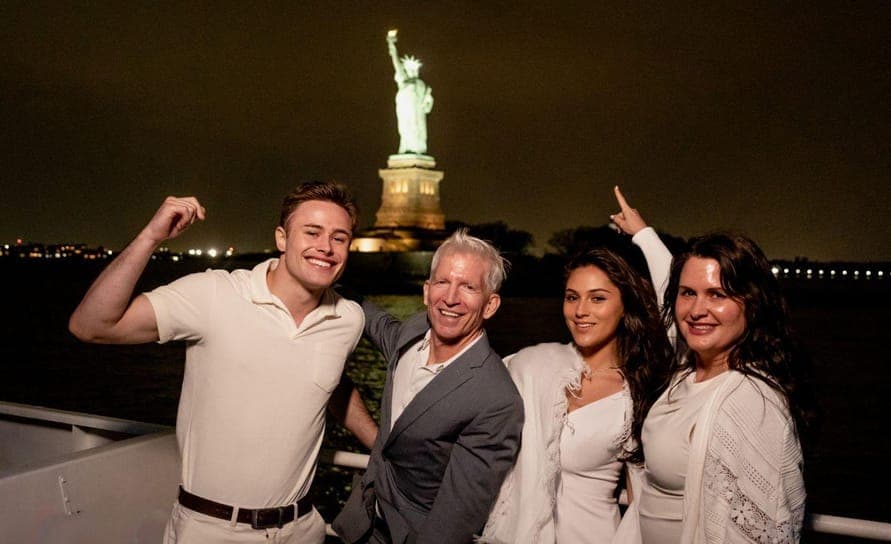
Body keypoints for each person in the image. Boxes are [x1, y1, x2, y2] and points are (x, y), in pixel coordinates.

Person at [68, 181, 377, 543]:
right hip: (212, 530)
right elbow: (90, 326)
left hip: (303, 529)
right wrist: (151, 237)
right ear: (282, 238)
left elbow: (329, 381)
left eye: (339, 238)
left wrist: (380, 443)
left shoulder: (348, 319)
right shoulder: (214, 295)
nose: (325, 247)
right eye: (312, 232)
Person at [480, 186, 674, 544]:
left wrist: (646, 238)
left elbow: (645, 504)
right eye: (572, 297)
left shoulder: (638, 393)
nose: (581, 311)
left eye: (598, 298)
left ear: (625, 305)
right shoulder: (532, 364)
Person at [332, 229, 524, 544]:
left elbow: (457, 518)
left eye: (468, 287)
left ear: (490, 305)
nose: (450, 298)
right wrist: (327, 284)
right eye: (442, 282)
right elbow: (377, 322)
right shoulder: (411, 333)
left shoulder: (496, 399)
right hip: (364, 525)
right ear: (426, 291)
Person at [628, 232, 816, 543]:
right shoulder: (683, 375)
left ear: (752, 303)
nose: (697, 310)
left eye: (717, 295)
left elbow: (762, 531)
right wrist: (643, 234)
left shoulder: (752, 403)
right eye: (687, 293)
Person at [387, 29, 434, 155]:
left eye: (415, 70)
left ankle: (417, 149)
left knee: (418, 130)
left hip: (418, 113)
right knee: (406, 129)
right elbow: (396, 62)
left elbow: (427, 105)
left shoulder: (421, 84)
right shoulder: (403, 80)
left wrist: (428, 100)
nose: (413, 72)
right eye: (410, 70)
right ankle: (406, 147)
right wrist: (392, 46)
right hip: (405, 111)